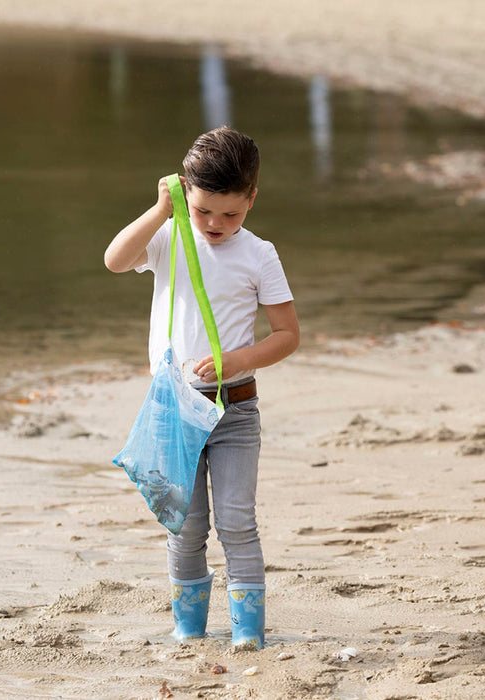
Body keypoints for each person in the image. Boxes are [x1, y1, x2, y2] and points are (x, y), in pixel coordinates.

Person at [104, 126, 300, 649]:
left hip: (235, 411)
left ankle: (247, 636)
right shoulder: (169, 237)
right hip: (174, 411)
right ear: (184, 191)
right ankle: (188, 632)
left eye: (231, 214)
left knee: (237, 522)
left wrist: (237, 359)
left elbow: (287, 336)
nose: (216, 224)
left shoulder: (260, 254)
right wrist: (162, 212)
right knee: (186, 527)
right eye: (204, 210)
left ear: (252, 198)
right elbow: (115, 260)